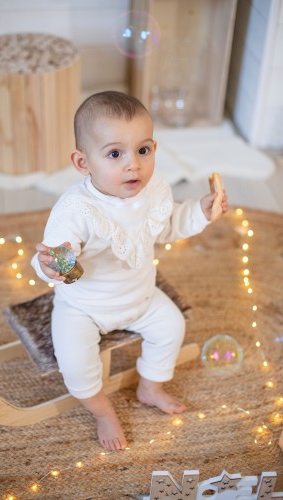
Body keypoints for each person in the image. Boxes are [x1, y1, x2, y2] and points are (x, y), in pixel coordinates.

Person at [31, 90, 228, 451]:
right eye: (115, 154)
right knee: (75, 363)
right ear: (83, 162)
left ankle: (150, 386)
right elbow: (59, 254)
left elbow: (167, 225)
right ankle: (102, 410)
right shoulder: (76, 208)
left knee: (172, 326)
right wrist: (53, 265)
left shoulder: (153, 190)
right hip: (84, 307)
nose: (133, 165)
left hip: (140, 297)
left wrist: (200, 208)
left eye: (143, 150)